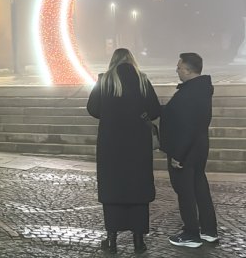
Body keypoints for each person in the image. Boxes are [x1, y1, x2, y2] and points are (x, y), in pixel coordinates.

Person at [87, 48, 161, 254]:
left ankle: (111, 240)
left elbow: (92, 108)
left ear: (113, 61)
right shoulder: (142, 80)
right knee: (137, 190)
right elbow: (155, 110)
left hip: (111, 146)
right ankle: (139, 241)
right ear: (132, 60)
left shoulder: (105, 80)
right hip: (138, 145)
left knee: (113, 189)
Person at [160, 52, 219, 248]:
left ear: (187, 70)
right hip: (199, 148)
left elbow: (187, 126)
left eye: (179, 67)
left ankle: (191, 234)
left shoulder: (189, 93)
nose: (176, 70)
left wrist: (179, 155)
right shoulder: (201, 89)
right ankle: (209, 230)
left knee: (185, 192)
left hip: (185, 151)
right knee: (200, 189)